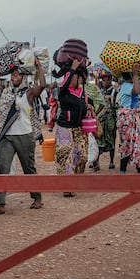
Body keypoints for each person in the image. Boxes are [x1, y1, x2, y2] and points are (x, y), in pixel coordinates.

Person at [0, 58, 45, 215]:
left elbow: (42, 85)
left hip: (25, 136)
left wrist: (39, 67)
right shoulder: (6, 93)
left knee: (29, 169)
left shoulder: (28, 93)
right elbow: (1, 113)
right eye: (13, 74)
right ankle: (0, 204)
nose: (15, 76)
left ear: (23, 77)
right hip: (8, 137)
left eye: (18, 74)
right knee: (3, 167)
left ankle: (37, 197)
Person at [53, 58, 91, 195]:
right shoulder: (64, 92)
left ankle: (75, 181)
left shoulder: (82, 93)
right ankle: (67, 186)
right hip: (65, 128)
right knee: (66, 156)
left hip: (79, 129)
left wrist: (88, 110)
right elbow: (62, 86)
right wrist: (72, 69)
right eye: (76, 77)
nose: (79, 80)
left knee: (82, 156)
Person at [96, 71, 118, 170]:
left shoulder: (114, 91)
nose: (105, 80)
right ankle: (96, 161)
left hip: (111, 119)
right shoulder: (97, 91)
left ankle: (111, 161)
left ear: (110, 79)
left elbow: (117, 105)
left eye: (107, 78)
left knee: (112, 139)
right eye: (103, 78)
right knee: (98, 138)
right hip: (100, 119)